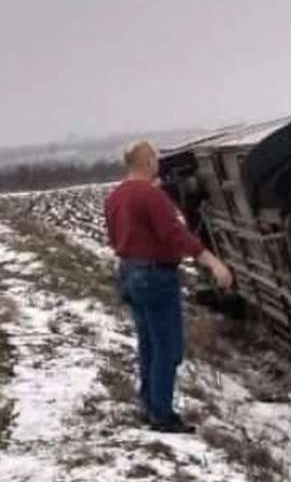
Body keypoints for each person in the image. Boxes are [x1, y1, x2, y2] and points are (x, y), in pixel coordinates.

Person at [105, 141, 233, 433]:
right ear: (148, 161)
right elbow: (176, 235)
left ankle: (149, 405)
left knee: (148, 344)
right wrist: (214, 263)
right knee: (168, 348)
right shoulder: (151, 196)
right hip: (155, 277)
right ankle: (162, 415)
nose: (159, 163)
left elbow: (114, 238)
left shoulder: (114, 197)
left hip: (129, 273)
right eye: (156, 159)